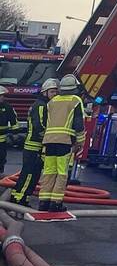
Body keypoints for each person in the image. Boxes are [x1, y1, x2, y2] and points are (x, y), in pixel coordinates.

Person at [37, 74, 85, 212]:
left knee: (49, 171)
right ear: (75, 88)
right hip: (64, 141)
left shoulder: (52, 101)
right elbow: (78, 124)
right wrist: (80, 141)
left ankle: (43, 202)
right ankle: (56, 203)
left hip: (49, 141)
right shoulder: (76, 100)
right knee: (61, 172)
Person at [9, 78, 58, 207]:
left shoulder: (42, 104)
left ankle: (21, 197)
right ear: (44, 92)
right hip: (34, 145)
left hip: (35, 145)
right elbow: (40, 126)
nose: (55, 95)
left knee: (33, 174)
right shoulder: (41, 106)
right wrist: (49, 140)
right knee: (30, 174)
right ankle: (19, 198)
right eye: (52, 92)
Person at [0, 86, 18, 175]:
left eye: (3, 95)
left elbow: (13, 120)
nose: (2, 97)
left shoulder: (7, 107)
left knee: (2, 157)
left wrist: (15, 134)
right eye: (0, 95)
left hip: (2, 139)